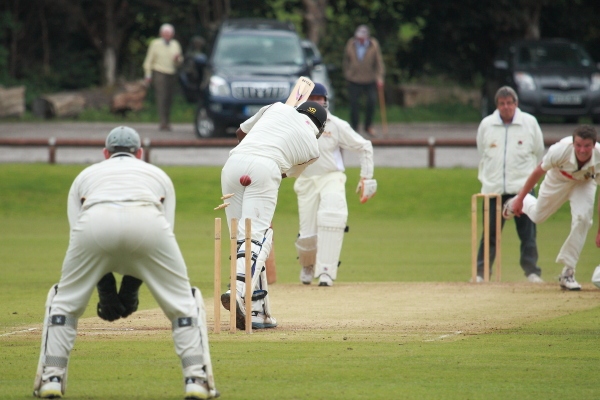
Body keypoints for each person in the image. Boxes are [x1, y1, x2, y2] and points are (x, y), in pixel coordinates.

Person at [32, 126, 217, 399]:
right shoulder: (158, 175)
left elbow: (79, 237)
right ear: (140, 153)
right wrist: (129, 290)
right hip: (147, 222)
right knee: (183, 303)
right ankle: (196, 380)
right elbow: (162, 232)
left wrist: (107, 291)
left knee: (65, 301)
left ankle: (51, 378)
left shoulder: (85, 176)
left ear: (105, 153)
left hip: (95, 223)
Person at [220, 100, 328, 330]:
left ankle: (258, 312)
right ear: (319, 129)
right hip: (266, 168)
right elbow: (285, 173)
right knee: (258, 237)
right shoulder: (313, 149)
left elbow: (241, 132)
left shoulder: (276, 107)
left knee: (238, 239)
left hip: (232, 164)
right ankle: (236, 292)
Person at [294, 83, 376, 287]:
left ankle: (326, 272)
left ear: (325, 101)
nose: (316, 101)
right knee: (307, 235)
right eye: (311, 98)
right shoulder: (294, 123)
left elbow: (364, 146)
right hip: (305, 180)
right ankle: (308, 266)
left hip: (331, 177)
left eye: (319, 98)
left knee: (332, 219)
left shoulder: (335, 124)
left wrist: (367, 177)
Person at [505, 125, 600, 291]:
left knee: (583, 219)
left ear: (594, 144)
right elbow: (537, 172)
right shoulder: (560, 150)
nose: (582, 150)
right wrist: (520, 198)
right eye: (578, 145)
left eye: (586, 146)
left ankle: (568, 272)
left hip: (584, 182)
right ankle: (521, 201)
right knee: (537, 216)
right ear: (573, 143)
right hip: (558, 179)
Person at [475, 86, 544, 283]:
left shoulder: (529, 123)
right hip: (493, 190)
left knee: (528, 233)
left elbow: (538, 153)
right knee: (489, 233)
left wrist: (527, 184)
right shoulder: (487, 124)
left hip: (521, 190)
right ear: (497, 105)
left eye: (509, 103)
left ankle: (532, 272)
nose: (506, 107)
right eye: (502, 104)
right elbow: (482, 151)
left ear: (516, 104)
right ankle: (482, 273)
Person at [342, 24, 385, 137]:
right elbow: (346, 61)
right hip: (354, 79)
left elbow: (378, 63)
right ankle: (354, 127)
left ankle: (368, 126)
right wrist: (347, 74)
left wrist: (379, 78)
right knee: (354, 104)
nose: (359, 39)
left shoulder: (373, 45)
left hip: (369, 79)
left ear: (366, 37)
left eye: (361, 37)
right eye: (358, 37)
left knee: (371, 102)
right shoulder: (351, 44)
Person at [143, 23, 183, 131]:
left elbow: (179, 62)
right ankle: (163, 122)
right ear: (161, 34)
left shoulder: (175, 44)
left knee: (169, 98)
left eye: (169, 33)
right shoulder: (155, 44)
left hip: (172, 73)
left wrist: (177, 59)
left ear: (172, 34)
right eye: (165, 33)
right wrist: (148, 75)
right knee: (161, 97)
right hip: (159, 72)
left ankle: (167, 120)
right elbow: (148, 61)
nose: (167, 35)